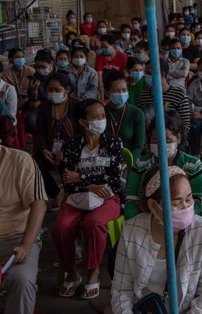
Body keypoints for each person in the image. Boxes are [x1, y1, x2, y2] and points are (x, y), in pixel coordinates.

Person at [112, 167, 202, 313]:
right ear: (153, 205)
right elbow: (121, 291)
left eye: (189, 199)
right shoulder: (131, 231)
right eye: (176, 203)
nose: (186, 207)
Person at [53, 99, 123, 299]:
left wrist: (81, 177)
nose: (101, 120)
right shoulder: (72, 145)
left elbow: (113, 177)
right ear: (83, 122)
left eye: (103, 116)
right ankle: (73, 274)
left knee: (93, 223)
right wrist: (90, 184)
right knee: (61, 227)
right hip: (77, 197)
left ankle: (93, 271)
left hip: (108, 196)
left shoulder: (113, 143)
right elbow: (67, 180)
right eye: (96, 117)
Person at [124, 111, 202, 219]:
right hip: (145, 219)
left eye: (167, 140)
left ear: (179, 138)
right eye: (155, 140)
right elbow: (131, 200)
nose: (161, 145)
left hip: (182, 220)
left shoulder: (193, 166)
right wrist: (144, 221)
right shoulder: (140, 164)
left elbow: (197, 205)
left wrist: (174, 220)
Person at [0, 145, 47, 314]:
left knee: (21, 280)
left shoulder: (20, 160)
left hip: (18, 238)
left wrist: (26, 245)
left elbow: (39, 205)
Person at [32, 72, 80, 199]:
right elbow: (39, 132)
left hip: (72, 149)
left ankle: (70, 194)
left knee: (68, 168)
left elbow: (81, 134)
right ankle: (56, 193)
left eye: (57, 90)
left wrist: (65, 150)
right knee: (34, 166)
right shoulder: (45, 107)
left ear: (67, 89)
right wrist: (44, 150)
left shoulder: (77, 106)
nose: (53, 93)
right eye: (50, 90)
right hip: (49, 148)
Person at [137, 59, 191, 137]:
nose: (146, 76)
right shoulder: (143, 96)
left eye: (149, 73)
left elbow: (185, 126)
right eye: (145, 73)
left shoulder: (179, 96)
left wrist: (172, 141)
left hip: (172, 141)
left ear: (162, 74)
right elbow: (140, 125)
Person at [103, 71, 145, 161]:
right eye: (116, 91)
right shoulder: (101, 112)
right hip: (104, 160)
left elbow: (139, 146)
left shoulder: (137, 113)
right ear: (106, 92)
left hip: (129, 161)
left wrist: (128, 163)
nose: (121, 94)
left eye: (124, 90)